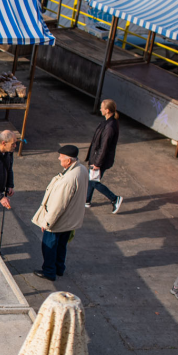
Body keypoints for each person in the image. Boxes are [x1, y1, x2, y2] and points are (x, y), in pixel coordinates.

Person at [32, 145, 89, 281]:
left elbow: (58, 205)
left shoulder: (68, 180)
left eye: (61, 157)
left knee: (49, 246)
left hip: (60, 221)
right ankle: (59, 268)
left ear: (68, 161)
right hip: (70, 220)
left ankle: (49, 272)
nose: (58, 158)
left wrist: (47, 222)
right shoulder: (82, 169)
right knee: (62, 245)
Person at [85, 99, 124, 213]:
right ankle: (87, 200)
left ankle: (115, 199)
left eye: (102, 107)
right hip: (98, 157)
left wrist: (97, 163)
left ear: (107, 110)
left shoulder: (109, 126)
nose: (100, 109)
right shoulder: (109, 122)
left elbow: (104, 147)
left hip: (100, 159)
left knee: (94, 182)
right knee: (91, 179)